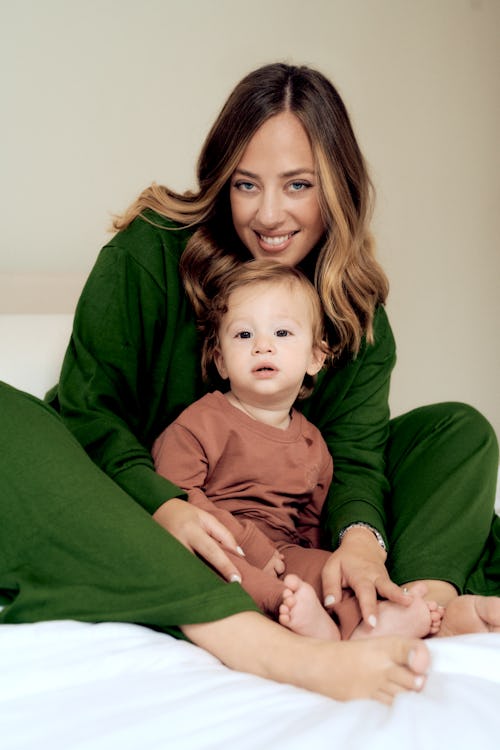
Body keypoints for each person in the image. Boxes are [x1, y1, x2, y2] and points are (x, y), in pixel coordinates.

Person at [1, 62, 499, 704]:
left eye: (298, 185)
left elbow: (354, 457)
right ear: (220, 183)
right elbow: (90, 419)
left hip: (292, 541)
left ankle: (417, 607)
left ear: (337, 189)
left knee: (458, 431)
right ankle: (264, 646)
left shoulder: (354, 311)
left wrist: (361, 543)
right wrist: (167, 506)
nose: (269, 214)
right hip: (141, 507)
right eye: (245, 185)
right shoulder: (147, 253)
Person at [152, 258, 442, 641]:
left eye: (283, 332)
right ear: (220, 361)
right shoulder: (200, 422)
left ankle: (366, 623)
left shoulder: (313, 444)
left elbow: (310, 524)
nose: (263, 346)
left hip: (283, 551)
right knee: (219, 568)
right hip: (218, 541)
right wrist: (249, 543)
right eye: (243, 336)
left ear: (315, 358)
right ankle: (288, 612)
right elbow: (177, 496)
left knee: (327, 570)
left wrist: (317, 564)